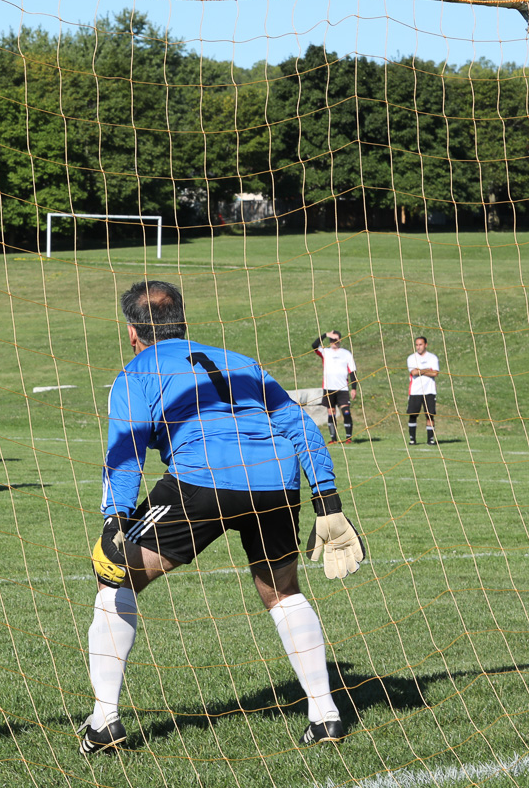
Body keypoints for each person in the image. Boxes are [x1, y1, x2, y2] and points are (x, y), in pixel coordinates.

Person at [81, 281, 365, 755]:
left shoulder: (135, 373)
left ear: (132, 332)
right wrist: (327, 501)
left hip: (202, 480)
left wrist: (115, 518)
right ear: (182, 323)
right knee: (282, 593)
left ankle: (105, 720)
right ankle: (326, 716)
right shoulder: (241, 361)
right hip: (275, 480)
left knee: (114, 576)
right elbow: (299, 424)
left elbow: (126, 453)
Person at [311, 330, 359, 443]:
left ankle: (348, 438)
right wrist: (325, 335)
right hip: (329, 387)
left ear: (340, 340)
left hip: (343, 388)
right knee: (331, 412)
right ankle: (333, 439)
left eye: (335, 339)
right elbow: (314, 345)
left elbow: (352, 371)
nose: (333, 342)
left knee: (346, 411)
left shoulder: (346, 353)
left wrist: (354, 388)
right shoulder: (325, 352)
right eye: (331, 339)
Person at [405, 336, 439, 446]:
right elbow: (414, 372)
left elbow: (435, 373)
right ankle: (412, 439)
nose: (418, 347)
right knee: (413, 415)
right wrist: (427, 370)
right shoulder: (411, 358)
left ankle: (430, 439)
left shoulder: (432, 358)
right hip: (415, 391)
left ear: (426, 345)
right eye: (417, 345)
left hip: (429, 391)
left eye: (420, 344)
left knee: (430, 415)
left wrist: (420, 370)